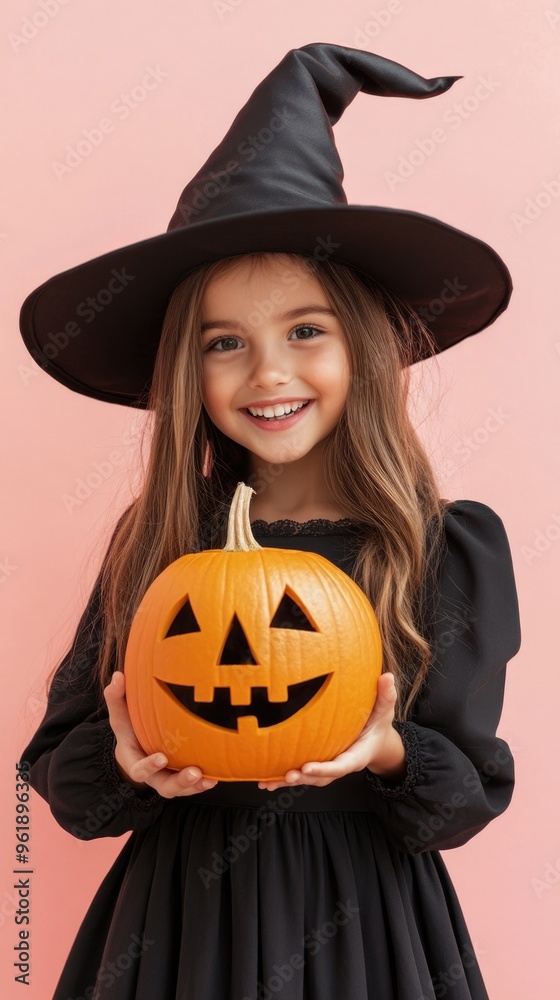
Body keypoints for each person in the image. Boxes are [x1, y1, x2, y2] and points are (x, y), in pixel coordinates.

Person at [19, 44, 521, 1000]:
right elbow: (62, 776)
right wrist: (126, 765)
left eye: (305, 330)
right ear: (186, 372)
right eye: (224, 343)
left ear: (363, 346)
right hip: (179, 930)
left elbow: (463, 799)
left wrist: (387, 752)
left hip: (368, 928)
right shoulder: (157, 548)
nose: (269, 374)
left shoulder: (437, 547)